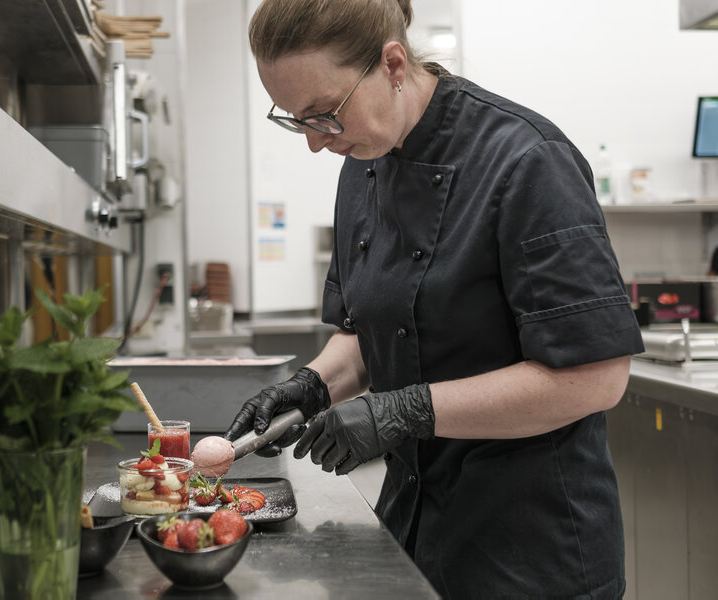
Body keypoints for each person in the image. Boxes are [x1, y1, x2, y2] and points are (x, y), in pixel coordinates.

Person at [223, 0, 644, 597]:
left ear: (393, 64)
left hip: (531, 547)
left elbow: (594, 379)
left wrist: (402, 411)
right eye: (295, 120)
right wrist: (310, 386)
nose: (315, 145)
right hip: (413, 525)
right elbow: (371, 331)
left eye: (323, 115)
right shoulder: (362, 162)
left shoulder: (526, 161)